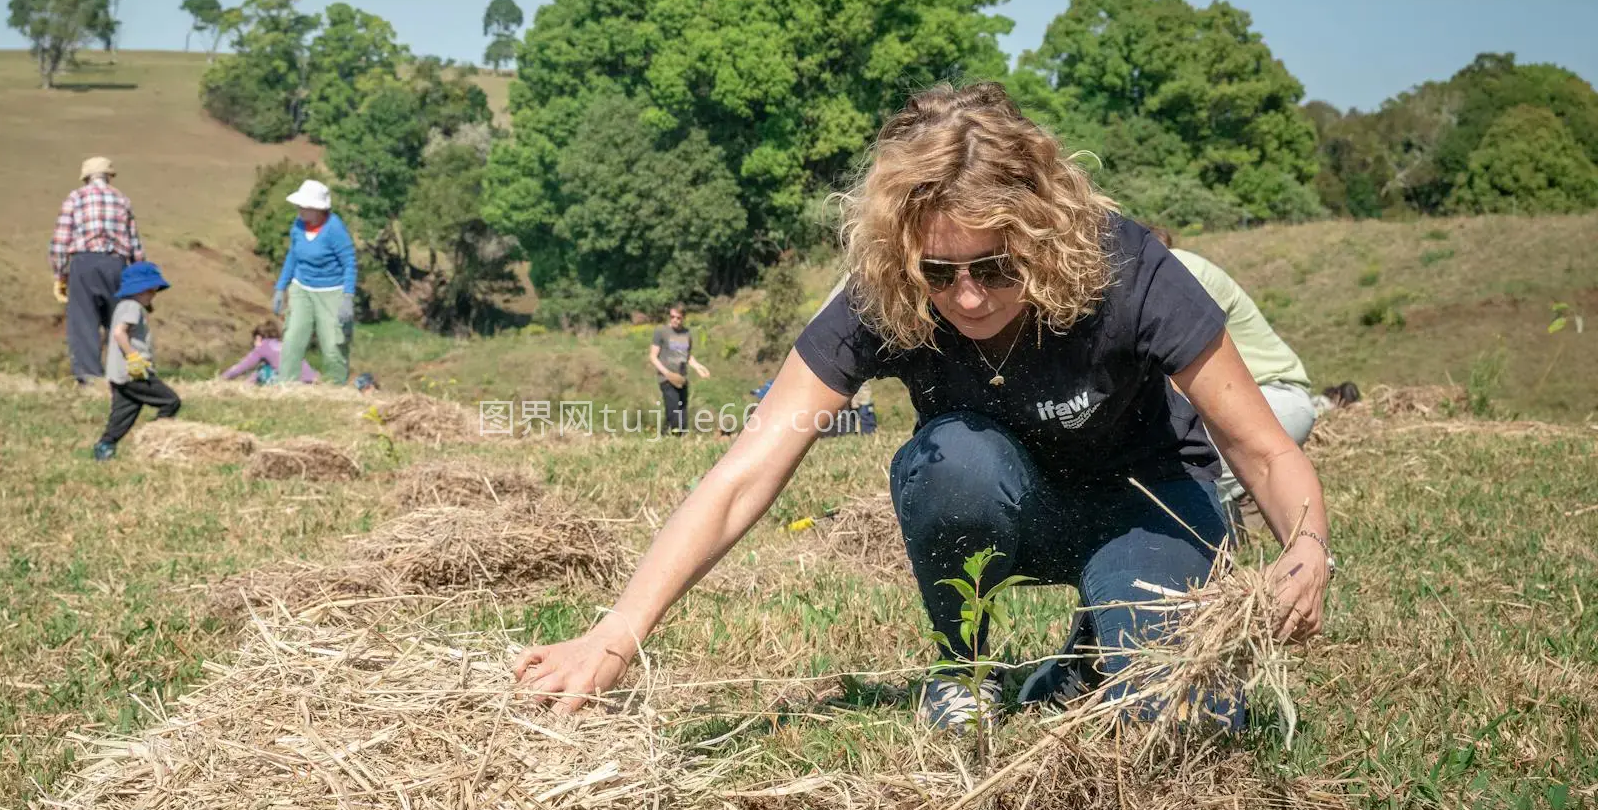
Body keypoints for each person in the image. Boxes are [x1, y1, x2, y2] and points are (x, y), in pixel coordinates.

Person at [515, 83, 1332, 731]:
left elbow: (1263, 448)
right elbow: (745, 472)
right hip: (1009, 503)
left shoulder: (1129, 268)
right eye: (940, 273)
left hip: (1148, 507)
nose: (968, 297)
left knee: (1180, 718)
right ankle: (962, 667)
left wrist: (1305, 546)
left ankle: (1094, 653)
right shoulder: (888, 292)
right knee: (952, 461)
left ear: (1043, 232)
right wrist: (616, 633)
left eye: (996, 266)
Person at [1149, 230, 1319, 519]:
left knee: (1170, 450)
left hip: (1273, 397)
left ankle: (1236, 514)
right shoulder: (1169, 268)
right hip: (1264, 400)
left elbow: (1173, 380)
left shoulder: (1172, 272)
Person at [50, 156, 145, 383]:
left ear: (85, 177)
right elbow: (135, 244)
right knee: (118, 320)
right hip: (116, 264)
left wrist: (60, 274)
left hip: (83, 264)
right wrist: (140, 278)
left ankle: (89, 379)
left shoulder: (76, 197)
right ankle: (123, 375)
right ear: (109, 176)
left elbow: (60, 241)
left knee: (83, 323)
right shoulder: (122, 199)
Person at [271, 179, 356, 385]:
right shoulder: (298, 226)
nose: (299, 210)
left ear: (319, 210)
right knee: (292, 339)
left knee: (332, 345)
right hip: (302, 288)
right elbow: (293, 256)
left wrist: (347, 297)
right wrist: (280, 287)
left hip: (331, 291)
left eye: (305, 207)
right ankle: (287, 385)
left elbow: (350, 262)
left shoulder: (334, 229)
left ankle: (335, 388)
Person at [94, 262, 180, 461]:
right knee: (170, 401)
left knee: (123, 415)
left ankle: (105, 446)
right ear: (142, 289)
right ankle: (157, 442)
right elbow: (119, 333)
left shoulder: (123, 306)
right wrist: (133, 356)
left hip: (118, 375)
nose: (154, 294)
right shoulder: (133, 306)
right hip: (134, 373)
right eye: (152, 290)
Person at [649, 304, 712, 435]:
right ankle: (676, 436)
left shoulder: (686, 333)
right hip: (666, 378)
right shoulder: (661, 332)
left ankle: (666, 435)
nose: (675, 320)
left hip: (681, 378)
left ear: (683, 318)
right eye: (672, 317)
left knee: (682, 411)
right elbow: (653, 356)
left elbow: (687, 356)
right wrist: (667, 373)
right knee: (673, 410)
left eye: (678, 317)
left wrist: (699, 368)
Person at [219, 317, 319, 385]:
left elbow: (242, 367)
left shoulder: (263, 346)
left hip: (292, 382)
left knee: (262, 371)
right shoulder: (284, 345)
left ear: (258, 338)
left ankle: (248, 386)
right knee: (267, 367)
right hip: (309, 379)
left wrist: (222, 379)